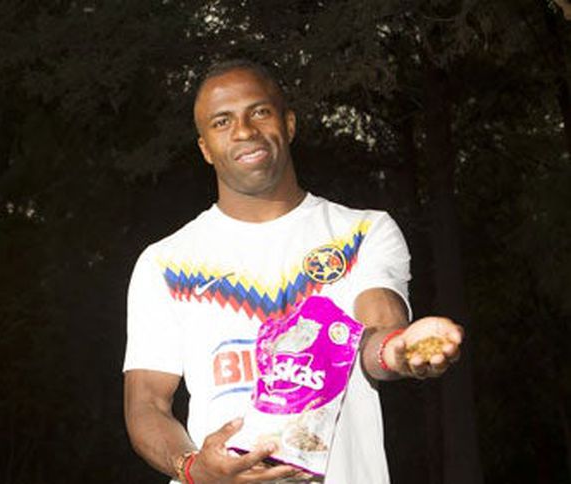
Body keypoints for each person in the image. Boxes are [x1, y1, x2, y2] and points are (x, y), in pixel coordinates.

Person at [122, 59, 464, 484]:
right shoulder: (164, 262)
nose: (244, 131)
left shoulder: (361, 232)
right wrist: (194, 468)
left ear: (288, 124)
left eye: (259, 112)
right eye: (222, 121)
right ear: (205, 148)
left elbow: (377, 333)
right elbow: (146, 405)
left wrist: (400, 350)